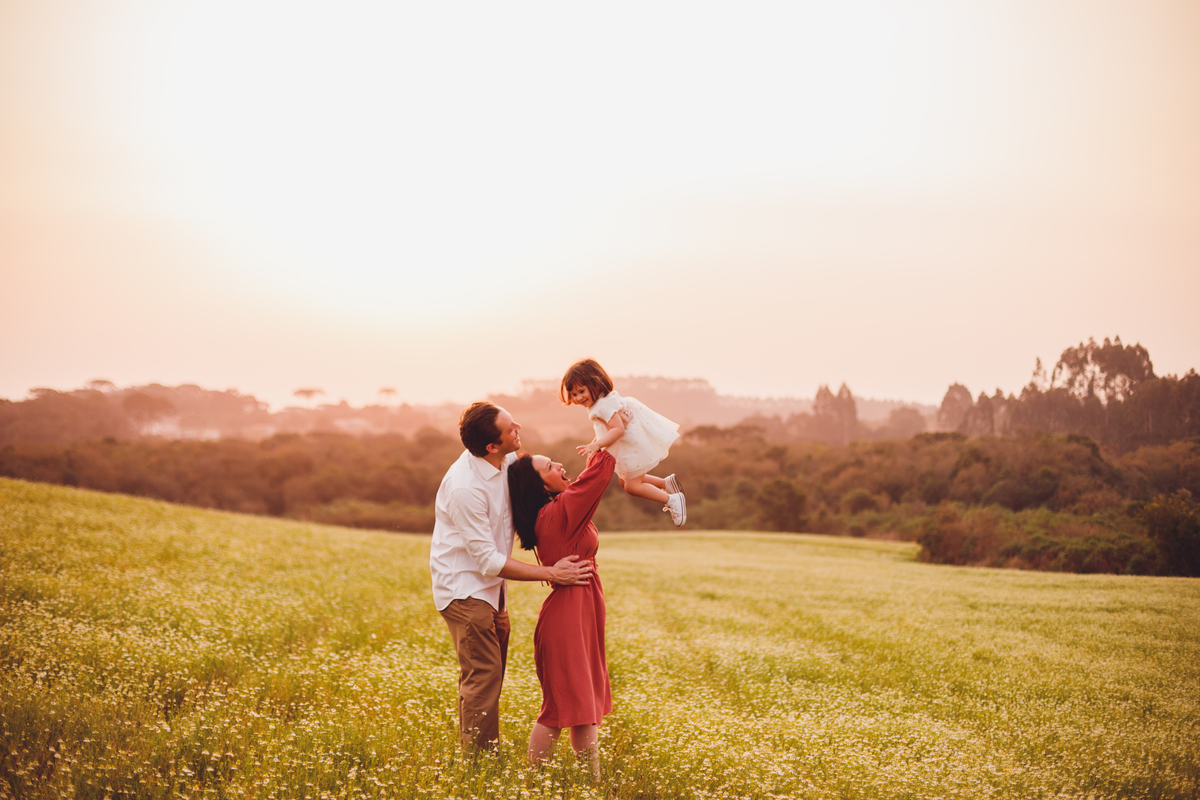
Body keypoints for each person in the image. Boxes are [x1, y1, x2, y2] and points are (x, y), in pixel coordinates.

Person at [430, 401, 594, 752]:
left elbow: (533, 492)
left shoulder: (506, 463)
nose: (518, 425)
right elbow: (487, 560)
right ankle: (480, 769)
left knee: (488, 678)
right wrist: (550, 572)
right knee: (483, 679)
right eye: (510, 427)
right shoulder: (464, 487)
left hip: (493, 592)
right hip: (465, 589)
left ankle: (478, 756)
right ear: (492, 445)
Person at [507, 447, 616, 780]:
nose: (559, 465)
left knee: (583, 709)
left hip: (579, 614)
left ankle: (590, 783)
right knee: (556, 711)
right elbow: (598, 473)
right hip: (567, 620)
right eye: (549, 466)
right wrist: (608, 429)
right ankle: (533, 783)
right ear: (541, 487)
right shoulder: (558, 511)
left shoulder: (555, 510)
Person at [560, 358, 687, 526]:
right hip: (630, 443)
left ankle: (672, 500)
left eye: (581, 391)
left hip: (632, 446)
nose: (578, 398)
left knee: (631, 486)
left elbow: (618, 429)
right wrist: (597, 442)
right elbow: (609, 428)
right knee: (624, 479)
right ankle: (666, 483)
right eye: (574, 394)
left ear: (596, 384)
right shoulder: (603, 401)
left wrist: (597, 445)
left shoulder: (601, 406)